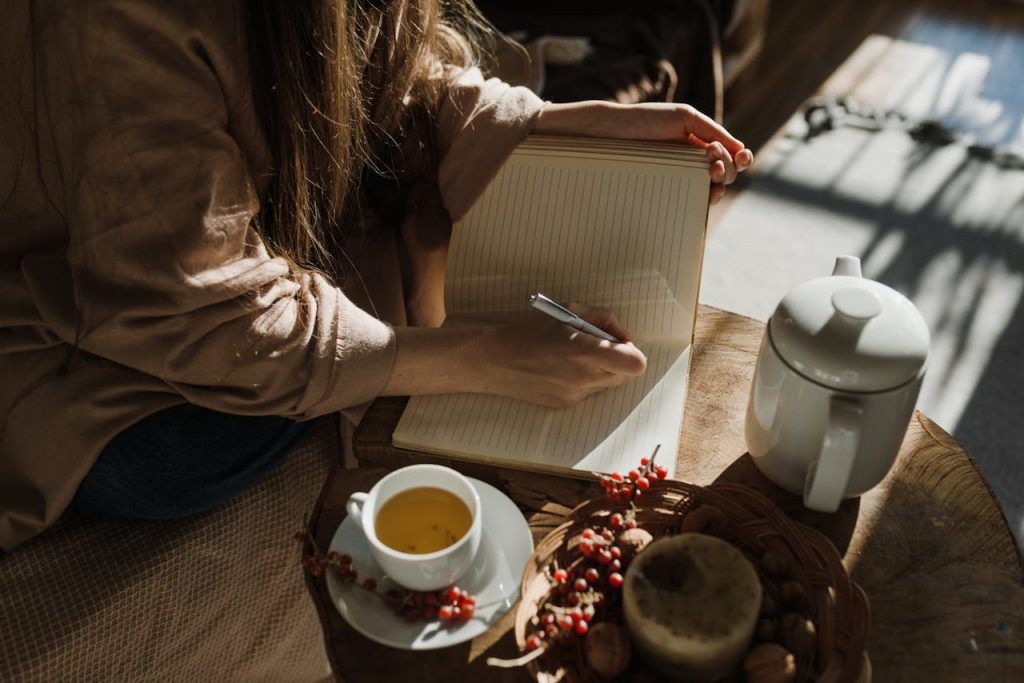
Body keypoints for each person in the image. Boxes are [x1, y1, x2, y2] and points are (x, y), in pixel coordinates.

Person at [0, 0, 751, 552]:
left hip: (229, 260)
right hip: (95, 352)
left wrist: (543, 120)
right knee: (181, 455)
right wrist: (482, 360)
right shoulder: (114, 22)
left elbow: (376, 82)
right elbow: (191, 310)